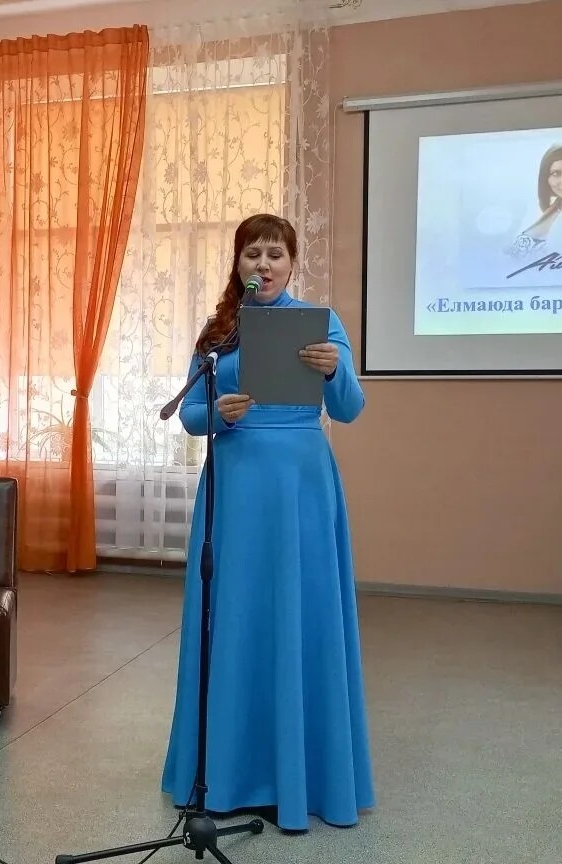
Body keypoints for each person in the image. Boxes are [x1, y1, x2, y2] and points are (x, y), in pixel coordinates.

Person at [160, 213, 373, 834]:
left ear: (292, 262)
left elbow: (349, 408)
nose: (264, 264)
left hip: (301, 482)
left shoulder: (322, 323)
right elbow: (190, 414)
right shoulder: (219, 331)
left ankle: (300, 776)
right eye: (252, 253)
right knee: (234, 615)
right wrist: (219, 413)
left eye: (275, 254)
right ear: (238, 263)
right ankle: (224, 774)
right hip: (236, 483)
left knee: (301, 615)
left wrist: (334, 370)